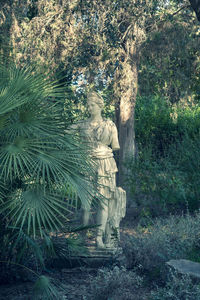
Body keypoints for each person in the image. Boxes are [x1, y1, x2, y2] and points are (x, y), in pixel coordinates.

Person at [71, 91, 126, 249]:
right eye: (88, 105)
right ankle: (82, 237)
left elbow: (115, 145)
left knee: (104, 202)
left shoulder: (109, 125)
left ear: (100, 106)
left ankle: (99, 238)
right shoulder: (81, 124)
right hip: (86, 164)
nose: (89, 108)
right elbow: (65, 134)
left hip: (105, 164)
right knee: (85, 205)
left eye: (92, 105)